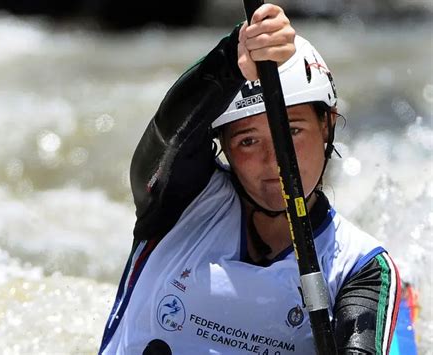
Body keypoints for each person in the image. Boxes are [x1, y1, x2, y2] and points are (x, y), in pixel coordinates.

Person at [99, 4, 401, 355]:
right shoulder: (179, 202)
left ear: (327, 125)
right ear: (224, 144)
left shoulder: (362, 268)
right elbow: (168, 135)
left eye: (292, 131)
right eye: (248, 141)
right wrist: (231, 58)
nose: (273, 161)